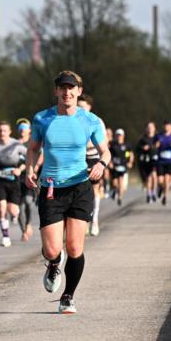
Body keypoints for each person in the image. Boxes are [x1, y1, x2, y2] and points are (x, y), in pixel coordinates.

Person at [25, 70, 110, 315]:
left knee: (75, 247)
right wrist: (30, 169)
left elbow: (106, 151)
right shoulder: (42, 118)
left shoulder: (90, 120)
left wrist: (100, 165)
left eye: (71, 88)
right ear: (56, 92)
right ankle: (53, 263)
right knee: (53, 249)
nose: (67, 92)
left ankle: (68, 297)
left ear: (79, 91)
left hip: (80, 187)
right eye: (62, 88)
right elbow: (33, 148)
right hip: (51, 188)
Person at [77, 95, 106, 236]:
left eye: (83, 106)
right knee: (81, 191)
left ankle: (94, 220)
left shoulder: (97, 121)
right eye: (78, 106)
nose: (80, 109)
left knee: (94, 191)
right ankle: (84, 221)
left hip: (94, 158)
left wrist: (101, 163)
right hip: (79, 159)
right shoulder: (73, 120)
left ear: (89, 107)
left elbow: (104, 144)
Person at [15, 118, 37, 242]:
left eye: (25, 128)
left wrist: (36, 167)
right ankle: (23, 230)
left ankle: (28, 224)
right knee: (19, 207)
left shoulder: (33, 142)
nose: (22, 131)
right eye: (20, 129)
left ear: (29, 130)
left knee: (28, 202)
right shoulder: (14, 143)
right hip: (15, 178)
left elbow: (40, 155)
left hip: (29, 176)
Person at [154, 120, 171, 206]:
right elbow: (154, 146)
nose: (166, 127)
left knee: (167, 178)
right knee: (160, 180)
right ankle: (160, 188)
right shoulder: (159, 136)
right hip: (160, 161)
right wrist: (156, 145)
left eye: (168, 126)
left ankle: (165, 196)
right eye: (165, 126)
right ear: (163, 127)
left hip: (170, 161)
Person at [108, 128, 133, 206]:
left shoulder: (127, 145)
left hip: (123, 166)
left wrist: (130, 162)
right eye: (118, 135)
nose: (119, 136)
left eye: (120, 135)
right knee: (115, 183)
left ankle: (119, 198)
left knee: (121, 181)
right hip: (114, 166)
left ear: (123, 136)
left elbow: (131, 154)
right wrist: (110, 163)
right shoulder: (112, 145)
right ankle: (115, 190)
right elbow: (108, 154)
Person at [136, 122, 158, 202]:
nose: (150, 129)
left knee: (154, 176)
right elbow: (137, 148)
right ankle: (149, 194)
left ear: (154, 128)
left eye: (151, 127)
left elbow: (161, 145)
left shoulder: (157, 137)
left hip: (156, 159)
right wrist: (143, 148)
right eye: (148, 127)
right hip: (147, 160)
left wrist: (153, 147)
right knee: (149, 178)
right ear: (146, 129)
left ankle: (154, 192)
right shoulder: (143, 139)